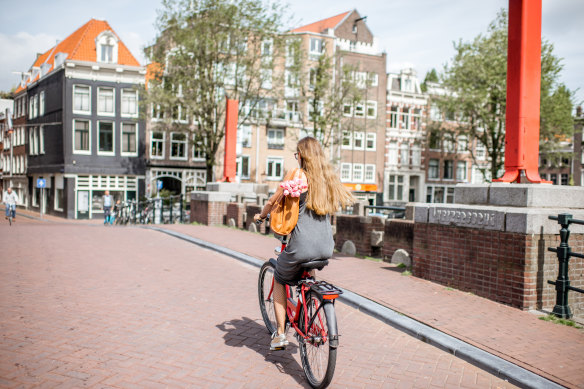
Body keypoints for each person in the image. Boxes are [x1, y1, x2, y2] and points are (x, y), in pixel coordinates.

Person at [254, 137, 354, 350]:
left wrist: (261, 216)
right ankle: (309, 302)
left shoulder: (298, 177)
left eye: (297, 154)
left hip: (301, 246)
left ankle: (280, 334)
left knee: (280, 276)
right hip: (327, 247)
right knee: (307, 271)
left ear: (302, 156)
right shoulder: (328, 181)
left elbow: (273, 201)